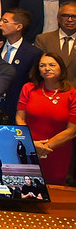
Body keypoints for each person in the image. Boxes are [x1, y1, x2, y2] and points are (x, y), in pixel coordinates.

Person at [16, 53, 76, 185]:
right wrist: (32, 144)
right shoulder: (28, 89)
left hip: (57, 152)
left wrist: (45, 147)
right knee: (28, 186)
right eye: (42, 65)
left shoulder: (72, 94)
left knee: (55, 191)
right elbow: (20, 118)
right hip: (29, 148)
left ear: (61, 68)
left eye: (52, 65)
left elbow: (72, 131)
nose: (47, 68)